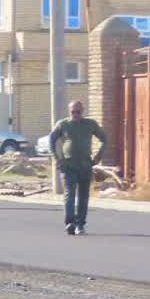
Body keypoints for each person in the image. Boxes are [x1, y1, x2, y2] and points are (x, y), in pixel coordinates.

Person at [49, 99, 108, 236]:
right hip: (68, 165)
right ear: (69, 112)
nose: (75, 114)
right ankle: (70, 223)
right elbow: (51, 140)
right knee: (69, 194)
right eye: (73, 112)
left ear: (83, 111)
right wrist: (57, 159)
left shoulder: (90, 124)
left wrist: (98, 156)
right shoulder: (63, 124)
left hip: (85, 165)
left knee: (83, 196)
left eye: (78, 112)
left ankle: (80, 224)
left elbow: (104, 139)